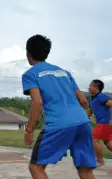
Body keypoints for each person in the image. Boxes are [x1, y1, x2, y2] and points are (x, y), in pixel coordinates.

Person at [22, 34, 96, 179]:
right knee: (85, 170)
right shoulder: (64, 72)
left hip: (59, 123)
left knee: (36, 167)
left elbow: (37, 102)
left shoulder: (30, 74)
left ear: (28, 54)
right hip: (83, 122)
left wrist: (29, 129)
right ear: (46, 52)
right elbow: (83, 101)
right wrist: (79, 118)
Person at [87, 79, 112, 166]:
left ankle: (100, 160)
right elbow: (89, 112)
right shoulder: (93, 99)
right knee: (108, 142)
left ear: (96, 87)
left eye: (90, 86)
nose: (88, 88)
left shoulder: (101, 96)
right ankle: (100, 160)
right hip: (103, 124)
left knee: (93, 140)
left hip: (104, 123)